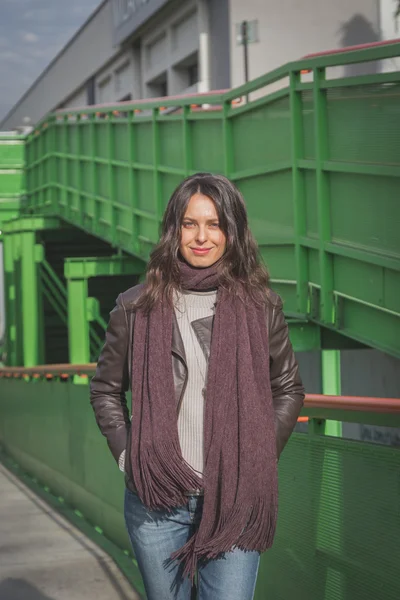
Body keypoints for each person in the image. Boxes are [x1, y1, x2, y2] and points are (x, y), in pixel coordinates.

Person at [90, 173, 305, 600]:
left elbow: (288, 388)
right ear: (174, 230)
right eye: (190, 224)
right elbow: (105, 390)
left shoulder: (261, 306)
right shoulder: (135, 306)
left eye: (215, 224)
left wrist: (258, 454)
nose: (202, 237)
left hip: (236, 495)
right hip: (157, 498)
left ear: (232, 232)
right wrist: (129, 457)